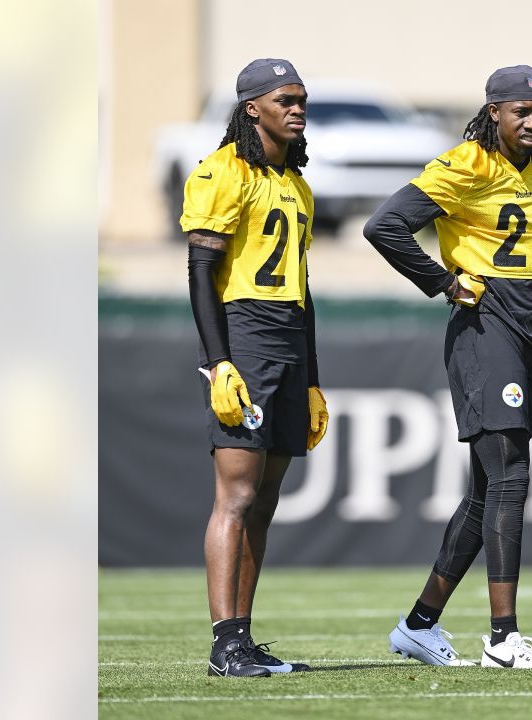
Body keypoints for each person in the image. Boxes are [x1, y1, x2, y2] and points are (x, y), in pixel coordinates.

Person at [363, 65, 532, 669]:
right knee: (511, 476)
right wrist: (443, 282)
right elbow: (387, 225)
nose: (531, 122)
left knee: (487, 493)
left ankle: (418, 624)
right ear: (494, 112)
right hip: (485, 330)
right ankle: (503, 638)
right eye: (520, 112)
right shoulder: (466, 165)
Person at [181, 58, 329, 678]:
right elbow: (199, 272)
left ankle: (244, 637)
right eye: (285, 99)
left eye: (301, 99)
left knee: (266, 500)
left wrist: (314, 374)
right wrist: (218, 362)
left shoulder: (296, 184)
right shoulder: (222, 171)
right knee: (236, 495)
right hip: (245, 333)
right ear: (252, 108)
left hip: (289, 337)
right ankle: (224, 643)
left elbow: (303, 286)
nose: (297, 108)